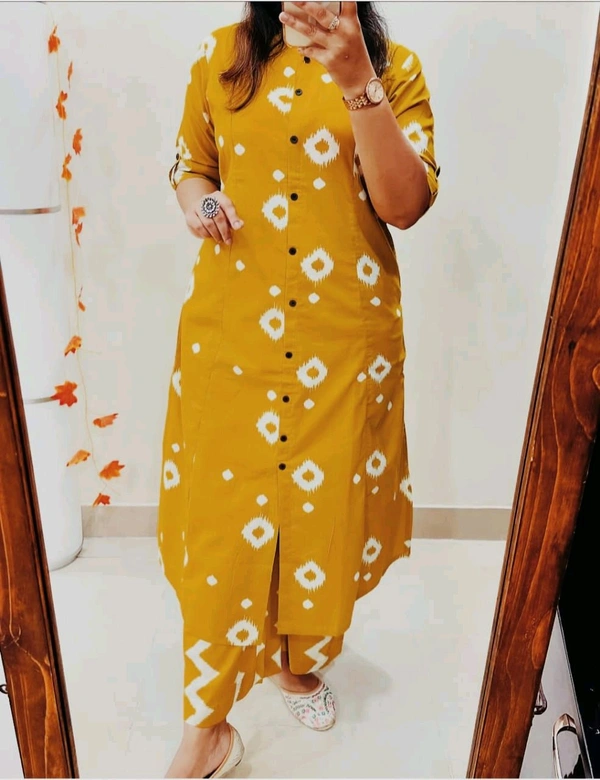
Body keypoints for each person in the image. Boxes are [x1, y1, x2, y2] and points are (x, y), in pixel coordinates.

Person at [158, 1, 440, 776]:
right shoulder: (221, 56)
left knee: (320, 520)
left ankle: (295, 660)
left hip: (341, 345)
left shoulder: (396, 69)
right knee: (222, 531)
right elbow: (189, 164)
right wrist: (200, 204)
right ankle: (206, 725)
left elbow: (406, 205)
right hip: (231, 338)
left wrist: (357, 81)